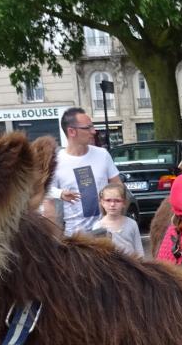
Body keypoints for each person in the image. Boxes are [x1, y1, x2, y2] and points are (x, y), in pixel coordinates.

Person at [46, 107, 120, 236]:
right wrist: (60, 193)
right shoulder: (56, 161)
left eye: (92, 126)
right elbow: (45, 195)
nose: (94, 131)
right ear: (71, 131)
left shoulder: (102, 155)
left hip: (105, 232)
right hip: (75, 238)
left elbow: (118, 187)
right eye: (88, 128)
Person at [87, 183, 143, 257]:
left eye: (117, 201)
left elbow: (139, 251)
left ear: (124, 203)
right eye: (108, 200)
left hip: (131, 266)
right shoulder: (98, 227)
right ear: (102, 202)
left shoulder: (132, 224)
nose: (112, 204)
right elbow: (98, 255)